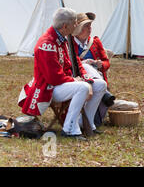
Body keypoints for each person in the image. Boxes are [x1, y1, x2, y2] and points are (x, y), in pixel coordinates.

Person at [18, 8, 107, 140]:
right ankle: (69, 129)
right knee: (82, 88)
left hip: (61, 83)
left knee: (100, 85)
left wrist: (85, 78)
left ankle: (87, 123)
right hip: (48, 87)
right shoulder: (47, 44)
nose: (76, 25)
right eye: (75, 23)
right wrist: (78, 82)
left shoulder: (62, 39)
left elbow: (71, 63)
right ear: (65, 26)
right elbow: (54, 78)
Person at [72, 12, 114, 126]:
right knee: (85, 66)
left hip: (97, 77)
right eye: (86, 26)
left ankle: (89, 121)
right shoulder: (70, 44)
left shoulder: (95, 42)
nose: (90, 29)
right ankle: (104, 93)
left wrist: (100, 64)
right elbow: (68, 64)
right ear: (79, 29)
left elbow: (106, 62)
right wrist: (84, 63)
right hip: (78, 77)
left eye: (90, 26)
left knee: (93, 75)